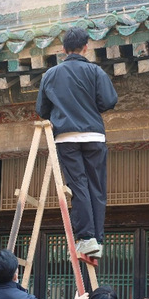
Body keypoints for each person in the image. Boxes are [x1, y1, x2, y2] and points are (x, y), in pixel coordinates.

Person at [35, 26, 119, 259]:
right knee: (97, 188)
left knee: (79, 186)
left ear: (63, 49)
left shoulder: (50, 75)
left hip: (66, 137)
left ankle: (86, 237)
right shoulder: (95, 72)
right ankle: (97, 241)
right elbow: (109, 101)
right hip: (94, 136)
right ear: (86, 47)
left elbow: (42, 109)